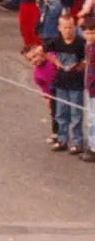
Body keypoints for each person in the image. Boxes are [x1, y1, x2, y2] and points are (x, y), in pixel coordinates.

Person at [44, 10, 86, 152]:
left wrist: (81, 65)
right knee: (61, 112)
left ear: (74, 26)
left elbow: (88, 57)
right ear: (59, 28)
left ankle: (77, 142)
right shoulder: (56, 41)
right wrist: (55, 61)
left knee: (76, 113)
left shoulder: (81, 43)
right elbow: (43, 51)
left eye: (70, 27)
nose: (68, 30)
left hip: (76, 84)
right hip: (61, 83)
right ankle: (62, 140)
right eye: (65, 27)